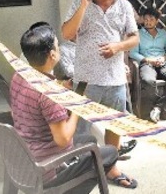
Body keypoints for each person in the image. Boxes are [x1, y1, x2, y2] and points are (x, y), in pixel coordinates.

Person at [12, 23, 137, 191]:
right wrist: (78, 106)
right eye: (57, 45)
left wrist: (62, 86)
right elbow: (63, 140)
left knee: (90, 140)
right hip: (47, 169)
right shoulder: (49, 93)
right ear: (52, 55)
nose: (59, 48)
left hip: (25, 156)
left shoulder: (19, 75)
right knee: (110, 153)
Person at [62, 0, 139, 156]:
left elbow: (134, 38)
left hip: (115, 79)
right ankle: (83, 166)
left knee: (115, 126)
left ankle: (111, 164)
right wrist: (83, 5)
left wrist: (117, 47)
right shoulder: (79, 4)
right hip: (86, 80)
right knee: (82, 129)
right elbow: (67, 34)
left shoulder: (124, 6)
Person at [129, 8, 166, 123]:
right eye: (146, 19)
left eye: (151, 20)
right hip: (147, 64)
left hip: (163, 63)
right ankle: (160, 110)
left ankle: (158, 107)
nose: (148, 22)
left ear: (157, 21)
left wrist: (164, 57)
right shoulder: (138, 34)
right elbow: (133, 53)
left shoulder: (163, 33)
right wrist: (148, 60)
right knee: (148, 81)